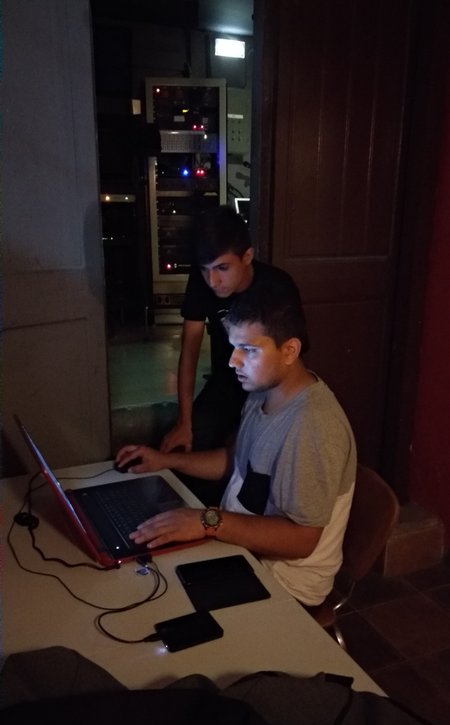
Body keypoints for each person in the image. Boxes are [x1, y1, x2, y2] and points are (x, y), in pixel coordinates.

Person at [116, 281, 357, 607]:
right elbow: (238, 461)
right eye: (234, 347)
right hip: (239, 547)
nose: (233, 361)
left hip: (284, 582)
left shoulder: (313, 425)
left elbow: (302, 539)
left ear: (290, 350)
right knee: (137, 567)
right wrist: (165, 461)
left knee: (156, 600)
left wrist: (207, 521)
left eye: (250, 350)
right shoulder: (262, 391)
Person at [160, 204, 308, 455]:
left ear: (247, 257)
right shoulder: (202, 283)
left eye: (222, 268)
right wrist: (184, 422)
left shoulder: (277, 286)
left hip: (267, 386)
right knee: (186, 446)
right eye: (205, 269)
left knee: (251, 450)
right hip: (225, 381)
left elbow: (291, 361)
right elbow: (189, 350)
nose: (213, 281)